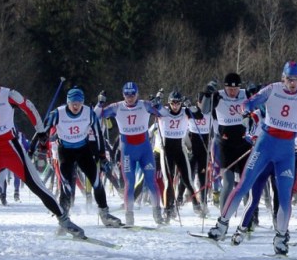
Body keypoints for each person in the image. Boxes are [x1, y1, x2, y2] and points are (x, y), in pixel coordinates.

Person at [0, 64, 85, 255]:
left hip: (12, 149)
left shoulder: (8, 95)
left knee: (37, 186)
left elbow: (28, 108)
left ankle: (64, 220)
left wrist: (41, 130)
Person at [208, 61, 297, 255]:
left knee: (284, 197)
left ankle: (281, 238)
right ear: (283, 78)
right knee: (244, 185)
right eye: (289, 79)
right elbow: (248, 102)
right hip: (264, 145)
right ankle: (222, 225)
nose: (292, 84)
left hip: (286, 151)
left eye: (296, 80)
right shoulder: (272, 89)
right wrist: (246, 113)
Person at [45, 86, 122, 227]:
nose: (76, 106)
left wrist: (102, 156)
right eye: (73, 103)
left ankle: (104, 214)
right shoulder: (58, 113)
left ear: (83, 102)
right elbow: (44, 129)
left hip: (83, 150)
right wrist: (41, 140)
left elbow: (98, 134)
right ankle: (64, 218)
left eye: (79, 103)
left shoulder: (89, 113)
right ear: (68, 102)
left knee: (97, 182)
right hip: (65, 152)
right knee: (66, 186)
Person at [95, 82, 167, 226]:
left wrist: (158, 105)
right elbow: (95, 116)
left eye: (132, 94)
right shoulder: (117, 107)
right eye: (127, 95)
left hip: (145, 149)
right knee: (129, 183)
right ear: (123, 95)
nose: (130, 98)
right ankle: (129, 217)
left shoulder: (145, 104)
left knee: (151, 181)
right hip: (128, 151)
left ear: (137, 94)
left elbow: (165, 115)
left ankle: (157, 214)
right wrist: (100, 103)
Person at [200, 73, 253, 213]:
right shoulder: (218, 95)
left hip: (244, 144)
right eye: (229, 89)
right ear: (225, 87)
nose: (232, 92)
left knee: (246, 183)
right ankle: (222, 220)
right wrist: (206, 94)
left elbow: (259, 108)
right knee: (228, 183)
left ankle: (249, 220)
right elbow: (204, 111)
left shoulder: (245, 94)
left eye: (235, 89)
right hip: (225, 146)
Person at [156, 90, 204, 220]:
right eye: (173, 103)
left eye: (178, 103)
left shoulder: (185, 111)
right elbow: (153, 108)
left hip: (180, 148)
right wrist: (157, 99)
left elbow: (199, 116)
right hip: (166, 149)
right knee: (169, 181)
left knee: (188, 179)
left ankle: (196, 205)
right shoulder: (164, 111)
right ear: (169, 103)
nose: (175, 106)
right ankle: (168, 208)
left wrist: (190, 106)